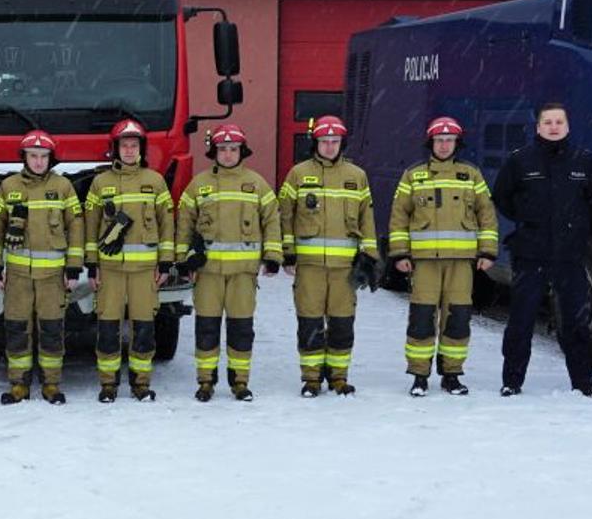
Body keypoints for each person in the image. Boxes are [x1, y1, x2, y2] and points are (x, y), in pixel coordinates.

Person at [492, 103, 592, 398]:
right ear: (538, 127)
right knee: (521, 320)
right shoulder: (520, 161)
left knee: (576, 323)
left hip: (570, 256)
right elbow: (503, 197)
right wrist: (529, 219)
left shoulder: (584, 161)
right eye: (548, 122)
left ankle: (583, 382)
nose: (554, 127)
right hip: (531, 253)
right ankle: (512, 380)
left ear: (568, 127)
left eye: (559, 122)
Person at [386, 116, 498, 397]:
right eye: (440, 140)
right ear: (431, 143)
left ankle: (452, 374)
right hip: (424, 263)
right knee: (422, 319)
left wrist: (487, 251)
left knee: (458, 319)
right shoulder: (413, 175)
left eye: (450, 140)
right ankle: (419, 376)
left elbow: (487, 215)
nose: (445, 145)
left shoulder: (471, 175)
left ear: (457, 144)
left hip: (462, 263)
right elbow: (399, 216)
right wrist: (399, 253)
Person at [175, 124, 282, 402]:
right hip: (207, 273)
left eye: (233, 149)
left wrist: (272, 257)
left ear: (241, 151)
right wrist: (183, 259)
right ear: (215, 152)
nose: (227, 155)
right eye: (222, 150)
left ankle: (240, 382)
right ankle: (206, 382)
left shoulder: (257, 184)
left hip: (243, 275)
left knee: (241, 329)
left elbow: (272, 221)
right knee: (207, 328)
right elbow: (184, 223)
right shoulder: (199, 185)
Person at [279, 115, 379, 398]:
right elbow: (285, 215)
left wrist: (369, 257)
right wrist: (288, 254)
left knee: (342, 323)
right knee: (309, 322)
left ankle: (338, 377)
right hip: (309, 268)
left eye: (334, 142)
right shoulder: (298, 174)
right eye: (324, 142)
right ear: (316, 143)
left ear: (342, 144)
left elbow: (367, 219)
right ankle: (311, 379)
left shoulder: (357, 176)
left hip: (345, 269)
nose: (330, 147)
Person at [0, 130, 85, 405]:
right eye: (34, 156)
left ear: (51, 159)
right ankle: (18, 384)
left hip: (53, 276)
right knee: (17, 329)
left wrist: (74, 268)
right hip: (17, 276)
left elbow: (76, 228)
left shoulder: (64, 187)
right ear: (24, 158)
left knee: (52, 330)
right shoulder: (8, 187)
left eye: (44, 157)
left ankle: (51, 384)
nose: (39, 162)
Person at [84, 119, 176, 402]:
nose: (128, 150)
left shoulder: (156, 181)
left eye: (134, 145)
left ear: (141, 149)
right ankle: (108, 385)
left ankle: (141, 383)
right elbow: (90, 226)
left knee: (144, 329)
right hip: (109, 271)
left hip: (145, 271)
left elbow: (167, 225)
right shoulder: (100, 183)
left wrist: (165, 263)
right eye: (124, 145)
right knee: (108, 328)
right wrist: (91, 264)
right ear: (115, 149)